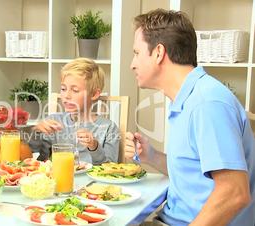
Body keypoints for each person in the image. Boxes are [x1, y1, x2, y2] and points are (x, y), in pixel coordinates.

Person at [126, 8, 255, 226]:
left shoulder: (207, 103)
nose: (132, 63)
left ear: (158, 53)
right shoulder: (187, 99)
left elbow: (235, 193)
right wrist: (153, 156)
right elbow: (198, 174)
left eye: (137, 53)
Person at [29, 58, 120, 164]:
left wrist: (94, 147)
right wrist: (37, 133)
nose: (66, 96)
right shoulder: (54, 121)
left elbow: (110, 168)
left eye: (75, 90)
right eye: (63, 89)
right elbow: (37, 157)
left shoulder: (108, 128)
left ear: (94, 94)